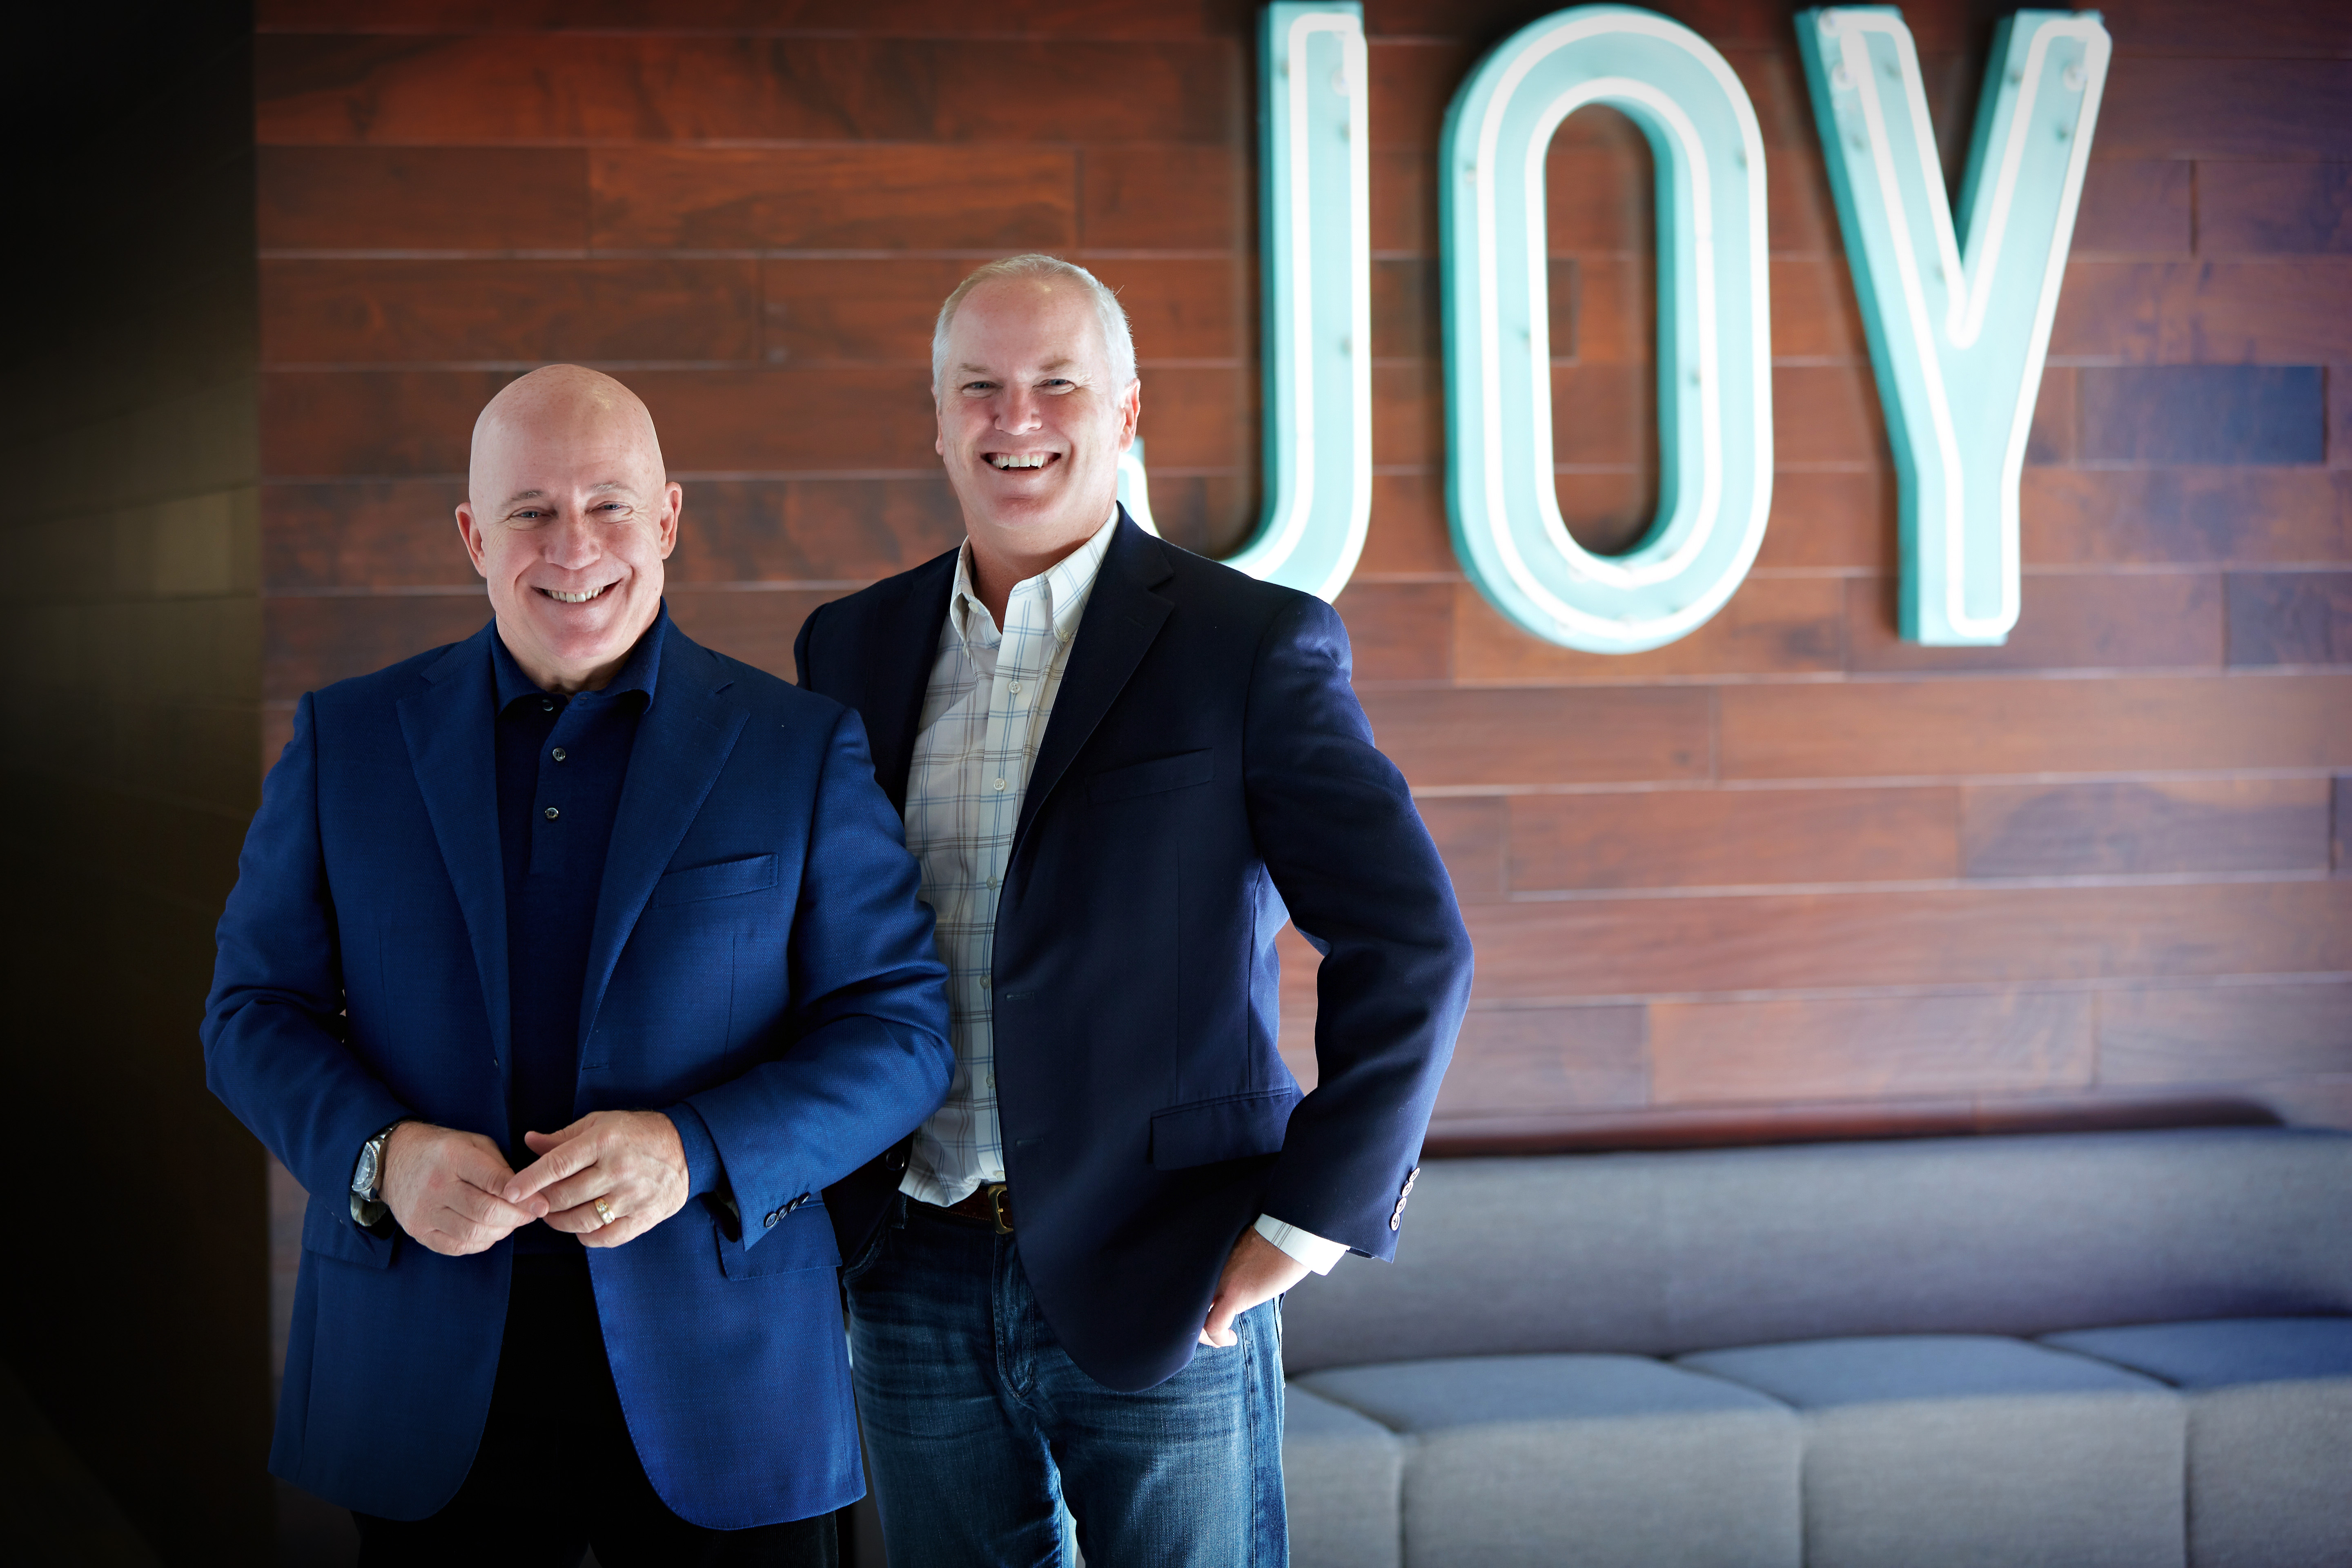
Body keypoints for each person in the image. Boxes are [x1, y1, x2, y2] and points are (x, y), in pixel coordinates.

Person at [202, 365, 952, 1564]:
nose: (574, 547)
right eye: (531, 512)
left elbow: (900, 1033)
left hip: (729, 1373)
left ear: (667, 519)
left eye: (610, 505)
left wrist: (694, 1148)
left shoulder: (799, 747)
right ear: (473, 537)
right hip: (423, 1370)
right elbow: (251, 1012)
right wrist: (383, 1156)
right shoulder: (348, 738)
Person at [794, 254, 1475, 1566]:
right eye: (979, 387)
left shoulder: (1248, 644)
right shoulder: (849, 647)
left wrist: (1307, 1224)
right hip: (910, 1263)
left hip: (1172, 1265)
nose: (1017, 419)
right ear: (938, 416)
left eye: (1058, 384)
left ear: (1126, 413)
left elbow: (1412, 945)